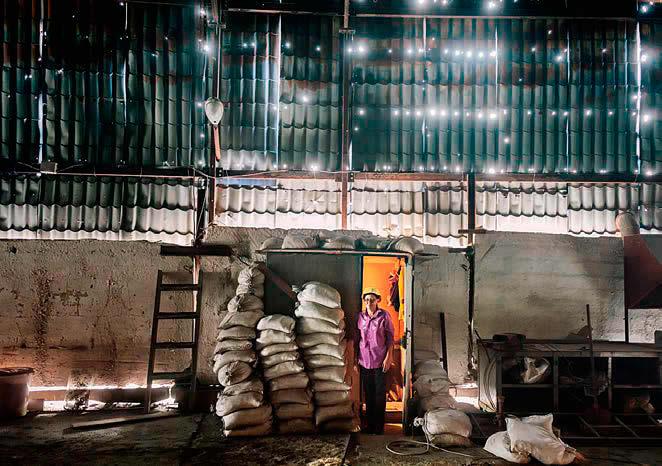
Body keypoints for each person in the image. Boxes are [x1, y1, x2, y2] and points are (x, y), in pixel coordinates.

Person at [356, 287, 394, 434]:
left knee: (379, 395)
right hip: (364, 360)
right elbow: (358, 338)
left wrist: (389, 357)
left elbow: (390, 338)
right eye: (366, 300)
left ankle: (379, 428)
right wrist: (355, 359)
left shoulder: (384, 316)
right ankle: (369, 426)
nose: (369, 302)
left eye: (372, 300)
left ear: (378, 300)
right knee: (368, 394)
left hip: (380, 360)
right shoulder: (361, 317)